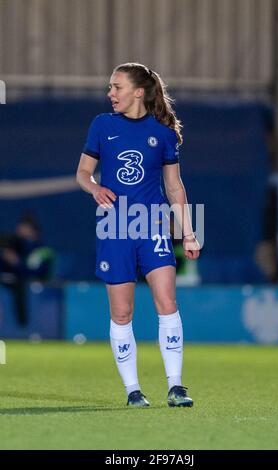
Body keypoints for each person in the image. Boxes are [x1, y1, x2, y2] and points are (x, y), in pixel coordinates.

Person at [76, 62, 200, 407]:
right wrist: (95, 188)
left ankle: (176, 386)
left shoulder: (161, 133)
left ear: (138, 92)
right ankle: (133, 391)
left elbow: (174, 187)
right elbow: (83, 173)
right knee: (121, 313)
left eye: (116, 87)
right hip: (115, 227)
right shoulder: (102, 125)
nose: (110, 93)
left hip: (154, 225)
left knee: (167, 302)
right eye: (110, 87)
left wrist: (188, 233)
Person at [0, 214, 55, 325]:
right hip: (11, 282)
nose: (20, 231)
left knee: (20, 287)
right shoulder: (15, 244)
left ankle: (23, 324)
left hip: (32, 286)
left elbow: (38, 272)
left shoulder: (41, 250)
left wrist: (16, 263)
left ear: (33, 230)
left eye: (24, 228)